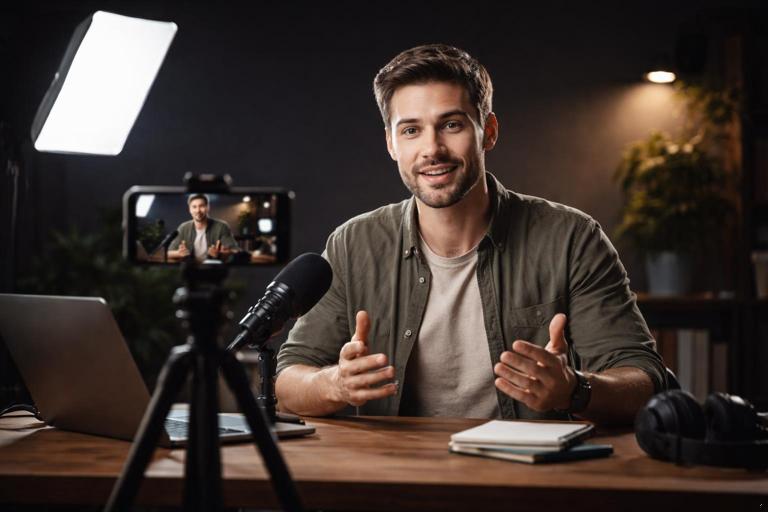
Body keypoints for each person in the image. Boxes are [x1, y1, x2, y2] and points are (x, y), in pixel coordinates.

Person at [275, 44, 667, 425]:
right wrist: (335, 384)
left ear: (488, 131)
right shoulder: (353, 245)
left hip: (531, 478)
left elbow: (644, 381)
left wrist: (575, 389)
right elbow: (288, 381)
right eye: (411, 130)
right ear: (392, 144)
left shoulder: (572, 239)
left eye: (451, 124)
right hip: (397, 476)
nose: (432, 149)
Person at [167, 193, 239, 262]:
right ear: (190, 210)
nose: (198, 210)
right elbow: (168, 253)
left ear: (208, 207)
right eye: (194, 207)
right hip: (190, 270)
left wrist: (221, 254)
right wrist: (178, 253)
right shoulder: (183, 227)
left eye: (201, 206)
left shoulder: (222, 226)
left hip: (213, 269)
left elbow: (235, 251)